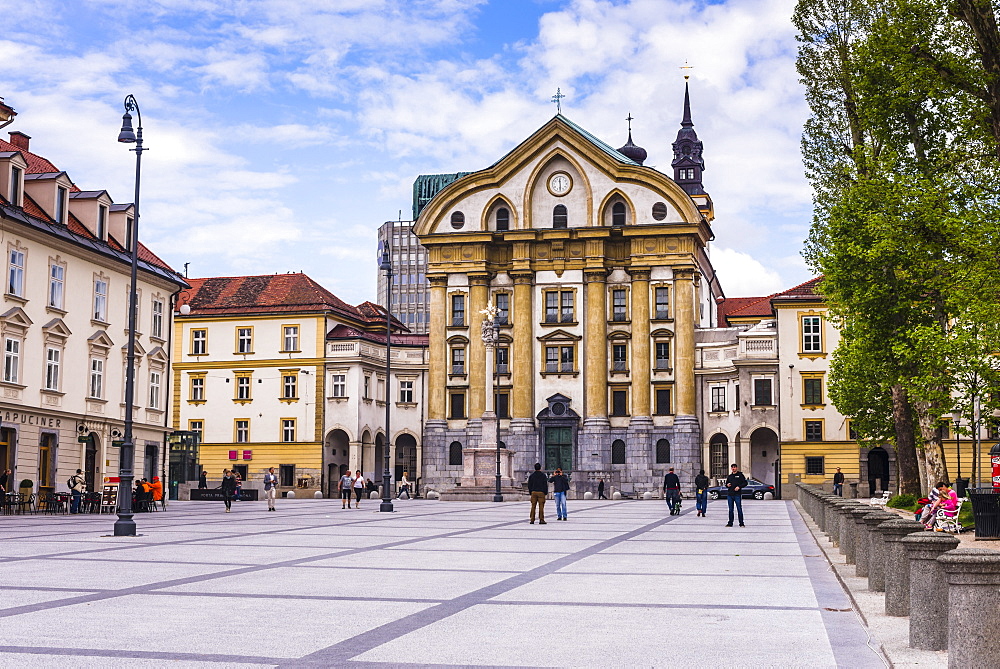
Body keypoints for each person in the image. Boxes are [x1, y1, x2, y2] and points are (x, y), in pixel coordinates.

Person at [725, 463, 748, 527]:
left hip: (737, 494)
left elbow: (745, 483)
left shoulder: (740, 475)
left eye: (734, 467)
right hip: (730, 494)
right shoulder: (730, 476)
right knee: (730, 509)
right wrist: (727, 485)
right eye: (732, 467)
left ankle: (741, 523)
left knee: (739, 508)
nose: (733, 468)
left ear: (736, 468)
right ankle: (730, 523)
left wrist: (739, 487)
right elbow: (726, 484)